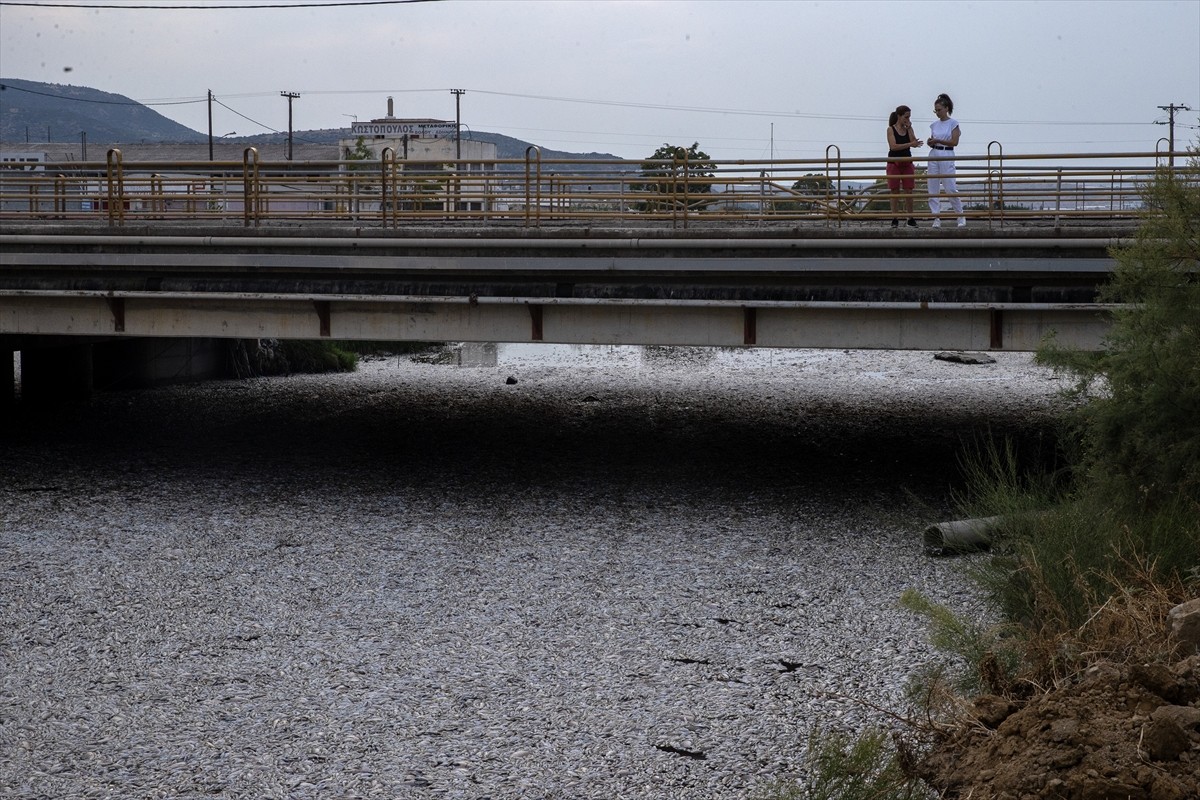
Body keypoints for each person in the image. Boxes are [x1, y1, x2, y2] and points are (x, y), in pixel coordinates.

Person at [927, 93, 966, 228]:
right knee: (933, 187)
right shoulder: (934, 125)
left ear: (946, 108)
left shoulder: (953, 123)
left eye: (939, 110)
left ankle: (960, 215)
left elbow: (954, 142)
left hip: (947, 154)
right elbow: (933, 139)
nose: (937, 113)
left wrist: (938, 140)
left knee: (950, 187)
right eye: (935, 110)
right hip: (934, 154)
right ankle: (936, 217)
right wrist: (931, 142)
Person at [886, 105, 924, 227]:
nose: (907, 119)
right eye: (906, 117)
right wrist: (910, 144)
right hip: (894, 162)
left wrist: (910, 128)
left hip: (907, 162)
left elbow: (914, 142)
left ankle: (910, 217)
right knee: (894, 191)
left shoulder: (908, 129)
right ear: (899, 116)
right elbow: (894, 146)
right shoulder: (890, 129)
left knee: (909, 190)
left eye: (909, 117)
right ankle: (894, 218)